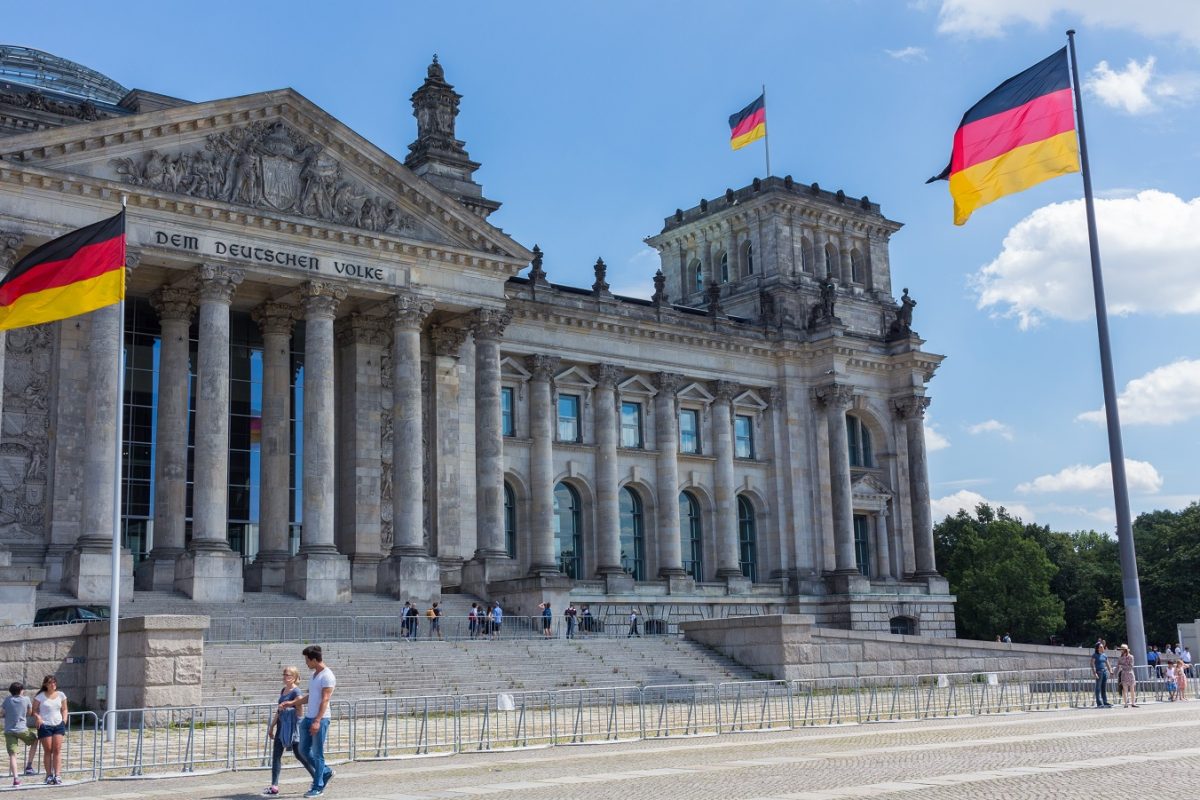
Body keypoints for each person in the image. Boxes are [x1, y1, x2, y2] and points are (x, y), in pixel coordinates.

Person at [281, 645, 336, 798]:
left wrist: (317, 720)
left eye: (307, 660)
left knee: (318, 754)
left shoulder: (327, 676)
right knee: (304, 750)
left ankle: (318, 786)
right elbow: (311, 697)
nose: (306, 663)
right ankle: (325, 771)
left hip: (321, 718)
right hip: (309, 718)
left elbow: (325, 700)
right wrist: (292, 703)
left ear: (313, 659)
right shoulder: (315, 675)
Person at [264, 666, 313, 796]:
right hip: (281, 726)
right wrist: (272, 726)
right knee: (276, 756)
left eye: (288, 675)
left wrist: (289, 707)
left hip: (293, 727)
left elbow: (300, 709)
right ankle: (274, 786)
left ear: (295, 678)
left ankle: (317, 777)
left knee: (300, 755)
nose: (285, 677)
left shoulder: (296, 691)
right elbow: (279, 710)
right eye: (284, 674)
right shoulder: (283, 690)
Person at [32, 675, 66, 784]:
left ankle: (58, 775)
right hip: (45, 725)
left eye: (54, 682)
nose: (53, 685)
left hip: (58, 724)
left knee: (57, 750)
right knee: (48, 750)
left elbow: (64, 709)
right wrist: (38, 717)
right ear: (45, 684)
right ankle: (48, 775)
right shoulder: (40, 696)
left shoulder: (61, 695)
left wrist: (64, 720)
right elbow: (34, 710)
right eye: (51, 683)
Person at [4, 682, 38, 787]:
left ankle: (16, 779)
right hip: (22, 729)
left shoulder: (7, 700)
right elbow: (29, 712)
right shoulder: (26, 699)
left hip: (9, 730)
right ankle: (29, 766)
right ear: (21, 690)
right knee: (35, 740)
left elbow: (1, 712)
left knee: (12, 755)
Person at [1091, 643, 1112, 708]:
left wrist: (1110, 671)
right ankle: (1099, 703)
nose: (1103, 648)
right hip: (1099, 672)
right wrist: (1095, 673)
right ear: (1098, 648)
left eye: (1103, 647)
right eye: (1101, 647)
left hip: (1104, 672)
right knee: (1098, 688)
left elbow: (1107, 663)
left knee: (1103, 688)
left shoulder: (1104, 655)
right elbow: (1092, 664)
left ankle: (1105, 702)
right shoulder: (1095, 655)